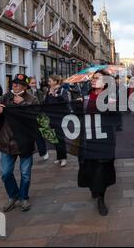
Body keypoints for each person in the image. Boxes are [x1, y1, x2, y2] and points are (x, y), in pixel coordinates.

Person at [0, 74, 39, 212]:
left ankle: (23, 197)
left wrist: (23, 104)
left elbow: (36, 117)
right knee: (6, 173)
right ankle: (13, 195)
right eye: (13, 83)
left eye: (18, 84)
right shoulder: (5, 97)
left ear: (25, 87)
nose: (14, 85)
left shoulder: (32, 99)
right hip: (7, 141)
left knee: (25, 173)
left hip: (25, 141)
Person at [78, 70, 119, 216]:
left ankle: (101, 198)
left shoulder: (112, 96)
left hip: (104, 140)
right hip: (88, 139)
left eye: (98, 78)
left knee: (102, 169)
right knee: (89, 167)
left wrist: (113, 108)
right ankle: (93, 188)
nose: (94, 80)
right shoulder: (85, 96)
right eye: (93, 78)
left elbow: (117, 119)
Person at [45, 75, 70, 167]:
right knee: (55, 138)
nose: (48, 82)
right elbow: (46, 103)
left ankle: (63, 158)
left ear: (56, 81)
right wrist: (49, 95)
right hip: (51, 117)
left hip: (60, 117)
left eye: (50, 81)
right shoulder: (48, 91)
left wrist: (56, 95)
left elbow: (65, 102)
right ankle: (59, 157)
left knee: (60, 138)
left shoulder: (63, 90)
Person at [27, 77, 49, 162]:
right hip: (28, 118)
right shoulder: (26, 93)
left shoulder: (40, 92)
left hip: (38, 116)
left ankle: (43, 151)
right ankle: (29, 152)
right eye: (32, 83)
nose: (34, 85)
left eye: (35, 83)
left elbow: (42, 103)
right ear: (29, 84)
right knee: (29, 136)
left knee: (39, 135)